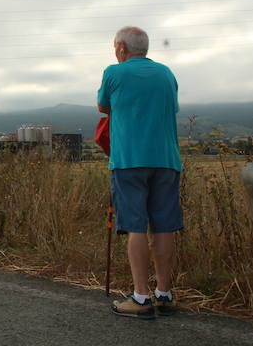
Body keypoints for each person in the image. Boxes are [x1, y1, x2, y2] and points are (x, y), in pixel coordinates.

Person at [97, 26, 182, 320]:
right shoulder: (166, 74)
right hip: (167, 159)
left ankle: (140, 296)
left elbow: (102, 105)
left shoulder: (114, 72)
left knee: (135, 226)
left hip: (129, 160)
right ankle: (164, 294)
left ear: (121, 47)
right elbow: (173, 107)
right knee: (163, 226)